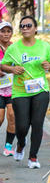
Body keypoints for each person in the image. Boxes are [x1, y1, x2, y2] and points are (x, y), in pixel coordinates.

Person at [0, 15, 50, 168]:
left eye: (28, 25)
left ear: (35, 29)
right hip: (20, 91)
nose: (25, 28)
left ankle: (33, 157)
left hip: (40, 90)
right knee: (22, 126)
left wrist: (49, 66)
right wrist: (12, 69)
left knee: (37, 123)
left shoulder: (44, 46)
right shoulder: (14, 48)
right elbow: (3, 65)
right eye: (22, 26)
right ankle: (20, 143)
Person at [0, 20, 16, 157]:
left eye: (8, 31)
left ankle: (8, 146)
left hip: (12, 89)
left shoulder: (15, 48)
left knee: (12, 116)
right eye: (3, 31)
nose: (6, 34)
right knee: (0, 119)